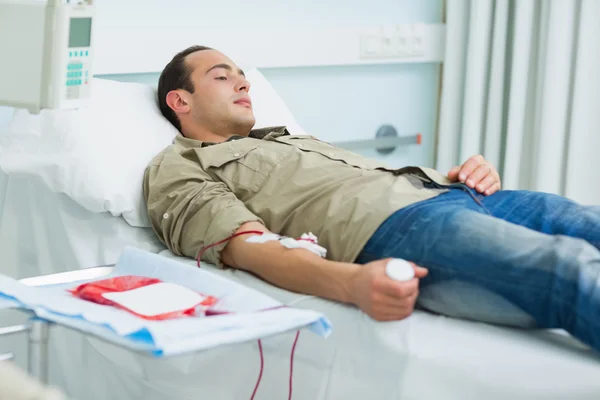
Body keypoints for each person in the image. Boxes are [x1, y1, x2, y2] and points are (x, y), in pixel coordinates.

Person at [144, 45, 600, 353]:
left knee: (587, 222)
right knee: (568, 267)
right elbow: (247, 249)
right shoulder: (179, 168)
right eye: (223, 77)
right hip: (399, 229)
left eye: (244, 77)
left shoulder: (286, 139)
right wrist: (350, 284)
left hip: (449, 193)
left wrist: (461, 175)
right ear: (180, 101)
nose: (244, 85)